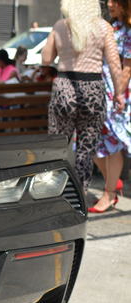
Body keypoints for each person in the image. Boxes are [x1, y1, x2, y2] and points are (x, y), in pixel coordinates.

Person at [42, 0, 125, 193]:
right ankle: (78, 193)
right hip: (93, 91)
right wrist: (119, 95)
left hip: (64, 87)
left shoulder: (61, 26)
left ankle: (53, 191)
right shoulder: (104, 27)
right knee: (86, 150)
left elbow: (46, 59)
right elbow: (114, 64)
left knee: (57, 145)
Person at [90, 0, 131, 212]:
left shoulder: (128, 32)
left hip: (118, 95)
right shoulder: (112, 27)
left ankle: (109, 194)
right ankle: (112, 184)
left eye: (115, 1)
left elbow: (127, 69)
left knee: (113, 144)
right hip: (100, 92)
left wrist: (117, 94)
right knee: (89, 143)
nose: (110, 3)